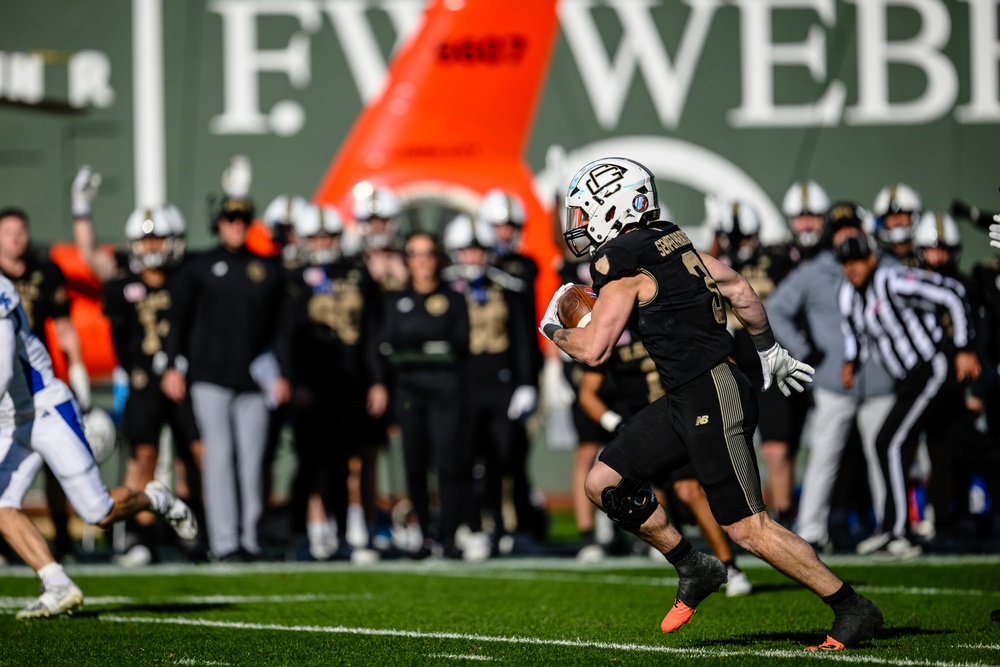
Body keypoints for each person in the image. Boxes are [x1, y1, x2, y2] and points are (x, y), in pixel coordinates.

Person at [539, 157, 881, 651]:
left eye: (583, 212)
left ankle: (851, 607)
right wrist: (768, 348)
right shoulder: (674, 243)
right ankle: (692, 566)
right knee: (603, 482)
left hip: (711, 393)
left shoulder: (623, 265)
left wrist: (553, 327)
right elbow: (738, 287)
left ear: (609, 208)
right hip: (688, 394)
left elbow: (593, 349)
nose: (578, 225)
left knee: (749, 529)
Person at [0, 274, 197, 618]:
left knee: (98, 512)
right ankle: (57, 583)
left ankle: (156, 498)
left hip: (45, 410)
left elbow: (2, 371)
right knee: (1, 503)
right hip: (10, 418)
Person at [161, 156, 290, 562]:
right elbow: (176, 320)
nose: (236, 225)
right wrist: (170, 365)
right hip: (209, 377)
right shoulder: (197, 267)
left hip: (253, 380)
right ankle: (224, 541)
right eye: (230, 219)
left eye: (242, 219)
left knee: (251, 464)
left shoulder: (266, 269)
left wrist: (281, 372)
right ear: (218, 222)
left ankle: (249, 539)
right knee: (218, 457)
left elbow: (280, 327)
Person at [576, 328, 752, 597]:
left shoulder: (663, 316)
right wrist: (614, 422)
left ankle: (729, 567)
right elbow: (588, 392)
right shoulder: (610, 330)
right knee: (635, 491)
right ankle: (689, 559)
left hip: (684, 411)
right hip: (645, 425)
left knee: (689, 490)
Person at [836, 232, 979, 559]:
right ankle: (892, 528)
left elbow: (952, 293)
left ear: (872, 259)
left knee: (891, 441)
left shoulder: (893, 278)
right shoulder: (848, 294)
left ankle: (900, 531)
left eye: (857, 260)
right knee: (902, 442)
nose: (852, 268)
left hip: (932, 368)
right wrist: (851, 360)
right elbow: (854, 332)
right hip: (909, 379)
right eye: (846, 262)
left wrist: (964, 348)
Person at [768, 202, 895, 553]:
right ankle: (810, 530)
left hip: (883, 379)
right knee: (824, 455)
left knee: (884, 455)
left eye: (853, 229)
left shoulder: (886, 266)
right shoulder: (815, 271)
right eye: (840, 231)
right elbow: (775, 309)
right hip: (833, 383)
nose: (847, 237)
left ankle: (892, 527)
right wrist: (804, 351)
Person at [281, 203, 386, 561]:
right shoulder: (294, 278)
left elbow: (372, 333)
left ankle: (342, 534)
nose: (323, 242)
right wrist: (293, 380)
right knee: (312, 462)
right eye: (317, 236)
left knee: (345, 462)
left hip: (350, 380)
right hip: (312, 382)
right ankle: (307, 532)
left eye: (328, 235)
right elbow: (287, 336)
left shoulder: (357, 274)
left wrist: (376, 381)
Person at [443, 213, 539, 554]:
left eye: (479, 249)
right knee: (464, 456)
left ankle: (499, 525)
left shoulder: (507, 285)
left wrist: (527, 383)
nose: (473, 257)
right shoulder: (445, 287)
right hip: (463, 381)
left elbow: (523, 336)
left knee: (503, 457)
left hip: (500, 380)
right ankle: (471, 525)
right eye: (467, 250)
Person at [0, 205, 91, 560]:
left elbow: (64, 328)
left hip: (35, 387)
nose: (16, 238)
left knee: (84, 495)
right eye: (9, 231)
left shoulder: (43, 272)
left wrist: (80, 369)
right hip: (8, 399)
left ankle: (64, 536)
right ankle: (42, 568)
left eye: (20, 230)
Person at [709, 198, 804, 529]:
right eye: (736, 239)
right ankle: (751, 518)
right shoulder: (712, 263)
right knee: (735, 445)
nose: (741, 246)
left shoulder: (778, 260)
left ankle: (785, 519)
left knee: (777, 449)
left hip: (769, 358)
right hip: (733, 364)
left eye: (746, 238)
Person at [375, 231, 471, 558]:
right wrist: (423, 350)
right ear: (407, 259)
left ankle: (450, 535)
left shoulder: (453, 299)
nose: (422, 260)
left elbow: (458, 346)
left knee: (448, 463)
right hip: (408, 392)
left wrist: (413, 350)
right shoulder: (396, 300)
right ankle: (422, 533)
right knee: (414, 463)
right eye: (414, 253)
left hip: (446, 390)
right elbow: (386, 346)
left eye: (428, 253)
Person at [872, 184, 921, 267]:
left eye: (902, 213)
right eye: (890, 215)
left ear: (913, 217)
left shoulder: (924, 256)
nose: (896, 219)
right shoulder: (877, 258)